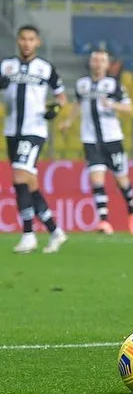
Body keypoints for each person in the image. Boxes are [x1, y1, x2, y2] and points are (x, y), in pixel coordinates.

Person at [1, 25, 68, 253]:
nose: (27, 43)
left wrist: (56, 109)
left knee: (19, 177)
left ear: (37, 42)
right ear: (18, 41)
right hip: (12, 130)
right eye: (23, 39)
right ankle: (55, 231)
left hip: (34, 129)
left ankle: (28, 234)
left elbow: (61, 95)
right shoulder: (6, 66)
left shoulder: (45, 68)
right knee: (29, 183)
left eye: (31, 39)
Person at [60, 49, 133, 236]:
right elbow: (78, 105)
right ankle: (104, 221)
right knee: (96, 180)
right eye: (94, 60)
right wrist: (68, 122)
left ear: (106, 65)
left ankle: (132, 213)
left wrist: (112, 105)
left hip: (112, 139)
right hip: (90, 139)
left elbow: (129, 107)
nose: (97, 63)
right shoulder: (82, 85)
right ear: (90, 63)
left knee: (122, 181)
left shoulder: (113, 85)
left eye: (101, 60)